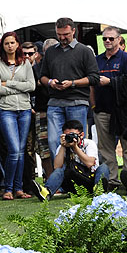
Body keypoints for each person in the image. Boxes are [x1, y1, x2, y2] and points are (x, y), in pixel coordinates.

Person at [39, 17, 100, 160]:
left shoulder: (84, 51)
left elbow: (94, 78)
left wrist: (72, 83)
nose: (62, 38)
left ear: (73, 31)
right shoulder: (50, 52)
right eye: (59, 34)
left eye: (66, 34)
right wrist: (50, 82)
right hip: (55, 102)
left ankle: (79, 173)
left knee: (77, 142)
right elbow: (42, 76)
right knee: (54, 141)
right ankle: (61, 174)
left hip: (77, 101)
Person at [0, 32, 36, 200]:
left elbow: (32, 86)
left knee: (21, 151)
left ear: (18, 45)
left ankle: (18, 188)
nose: (9, 45)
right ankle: (8, 188)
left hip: (24, 108)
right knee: (14, 150)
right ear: (3, 45)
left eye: (12, 42)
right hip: (6, 109)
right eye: (6, 43)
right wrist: (19, 87)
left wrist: (8, 83)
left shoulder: (25, 63)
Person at [92, 26, 127, 188]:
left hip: (124, 111)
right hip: (102, 110)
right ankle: (113, 179)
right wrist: (93, 105)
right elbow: (91, 83)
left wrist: (111, 82)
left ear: (119, 39)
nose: (107, 41)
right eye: (104, 38)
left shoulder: (125, 59)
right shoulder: (97, 60)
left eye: (111, 38)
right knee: (105, 148)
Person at [45, 119, 108, 197]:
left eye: (72, 135)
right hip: (72, 183)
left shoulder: (89, 144)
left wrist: (75, 147)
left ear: (81, 135)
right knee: (59, 171)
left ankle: (99, 192)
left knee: (104, 167)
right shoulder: (63, 146)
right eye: (67, 136)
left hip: (89, 180)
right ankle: (46, 193)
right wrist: (63, 147)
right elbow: (57, 166)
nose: (70, 138)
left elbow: (90, 163)